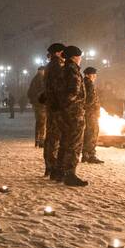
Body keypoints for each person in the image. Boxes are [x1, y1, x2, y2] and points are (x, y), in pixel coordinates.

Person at [48, 45, 88, 186]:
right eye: (80, 56)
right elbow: (73, 92)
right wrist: (70, 106)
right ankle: (70, 174)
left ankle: (58, 172)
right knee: (74, 143)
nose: (81, 59)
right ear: (75, 57)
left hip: (64, 113)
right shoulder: (72, 71)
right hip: (73, 113)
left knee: (65, 142)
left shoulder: (63, 69)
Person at [42, 45, 66, 175]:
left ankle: (49, 165)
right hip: (56, 106)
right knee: (54, 137)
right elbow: (58, 87)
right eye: (63, 52)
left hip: (52, 105)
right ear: (58, 53)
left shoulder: (51, 65)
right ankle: (53, 166)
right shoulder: (56, 66)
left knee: (51, 136)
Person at [81, 67, 104, 164]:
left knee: (88, 133)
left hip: (88, 112)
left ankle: (86, 154)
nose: (95, 77)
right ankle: (91, 155)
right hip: (91, 113)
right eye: (93, 75)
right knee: (92, 133)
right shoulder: (88, 84)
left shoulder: (83, 83)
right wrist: (94, 107)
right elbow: (90, 99)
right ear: (88, 75)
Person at [27, 66, 47, 148]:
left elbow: (29, 93)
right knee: (42, 122)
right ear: (42, 71)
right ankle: (41, 141)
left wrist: (33, 100)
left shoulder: (34, 79)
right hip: (41, 104)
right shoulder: (41, 79)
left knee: (38, 122)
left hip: (36, 104)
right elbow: (44, 91)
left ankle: (37, 140)